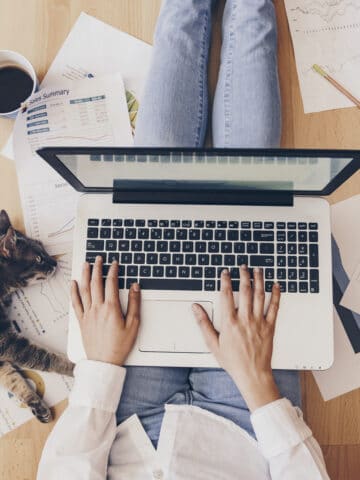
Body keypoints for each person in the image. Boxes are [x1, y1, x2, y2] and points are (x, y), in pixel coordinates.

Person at [37, 1, 331, 478]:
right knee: (250, 206)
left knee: (155, 201)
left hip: (124, 423)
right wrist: (258, 383)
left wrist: (100, 373)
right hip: (250, 427)